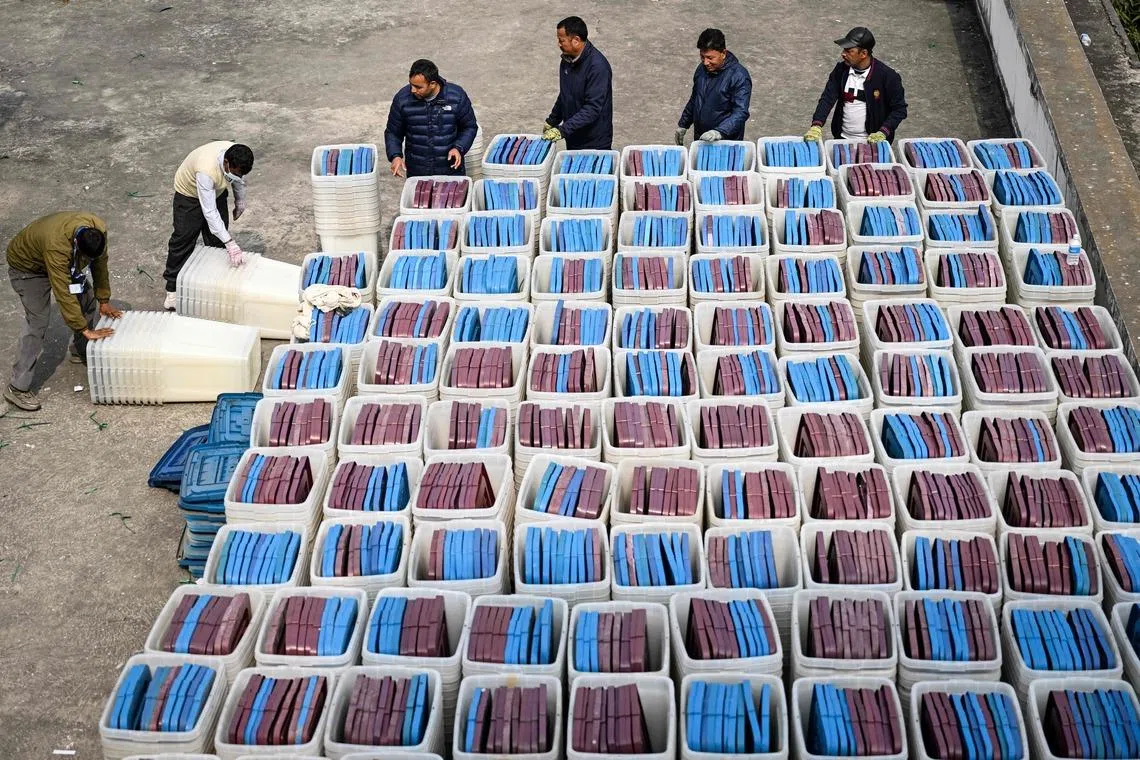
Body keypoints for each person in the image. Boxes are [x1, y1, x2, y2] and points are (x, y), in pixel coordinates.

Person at [5, 212, 122, 411]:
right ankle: (17, 387)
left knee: (86, 298)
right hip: (28, 268)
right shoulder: (56, 246)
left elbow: (100, 265)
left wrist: (104, 299)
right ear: (77, 243)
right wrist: (84, 328)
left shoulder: (97, 230)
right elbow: (63, 291)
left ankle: (81, 349)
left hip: (63, 257)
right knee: (38, 321)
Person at [162, 141, 255, 311]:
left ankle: (218, 284)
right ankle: (172, 291)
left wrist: (240, 201)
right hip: (188, 195)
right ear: (226, 163)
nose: (237, 176)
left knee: (217, 240)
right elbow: (210, 212)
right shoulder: (206, 170)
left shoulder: (236, 156)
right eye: (234, 173)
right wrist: (231, 243)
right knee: (183, 239)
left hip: (216, 190)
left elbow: (238, 180)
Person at [804, 27, 907, 145]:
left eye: (849, 51)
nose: (843, 54)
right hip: (842, 139)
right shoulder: (840, 71)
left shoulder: (888, 77)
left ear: (863, 53)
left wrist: (883, 132)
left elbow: (899, 109)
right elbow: (827, 99)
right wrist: (816, 125)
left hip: (872, 143)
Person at [384, 59, 479, 178]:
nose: (413, 90)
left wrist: (459, 147)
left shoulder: (456, 97)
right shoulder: (402, 99)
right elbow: (393, 132)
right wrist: (395, 156)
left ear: (433, 84)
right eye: (411, 85)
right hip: (418, 171)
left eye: (418, 87)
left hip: (450, 171)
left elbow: (469, 127)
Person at [542, 16, 613, 150]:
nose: (559, 44)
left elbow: (592, 109)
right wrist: (552, 121)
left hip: (595, 142)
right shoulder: (567, 61)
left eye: (561, 40)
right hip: (573, 136)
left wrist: (562, 130)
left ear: (576, 40)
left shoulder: (598, 67)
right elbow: (565, 94)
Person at [675, 28, 752, 145]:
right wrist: (683, 124)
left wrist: (719, 132)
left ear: (723, 53)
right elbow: (695, 99)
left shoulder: (739, 76)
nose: (705, 62)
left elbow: (741, 112)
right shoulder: (701, 70)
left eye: (710, 58)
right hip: (701, 138)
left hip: (725, 142)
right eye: (702, 57)